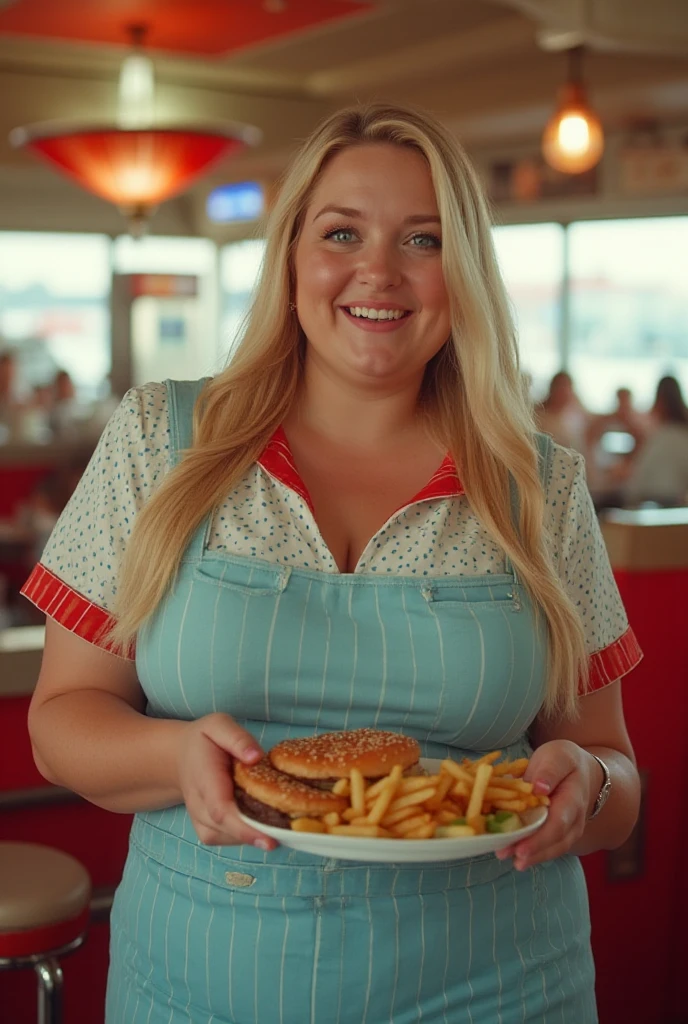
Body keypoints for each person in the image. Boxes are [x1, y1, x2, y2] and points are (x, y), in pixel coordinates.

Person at [22, 104, 642, 1024]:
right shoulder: (159, 439)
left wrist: (587, 788)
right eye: (341, 231)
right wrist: (173, 752)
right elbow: (60, 723)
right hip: (204, 979)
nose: (378, 272)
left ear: (463, 270)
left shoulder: (537, 481)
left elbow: (615, 772)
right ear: (291, 259)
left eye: (422, 240)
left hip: (500, 984)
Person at [623, 374, 688, 507]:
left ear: (659, 402)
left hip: (653, 501)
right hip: (678, 504)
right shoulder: (682, 434)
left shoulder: (659, 435)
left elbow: (639, 480)